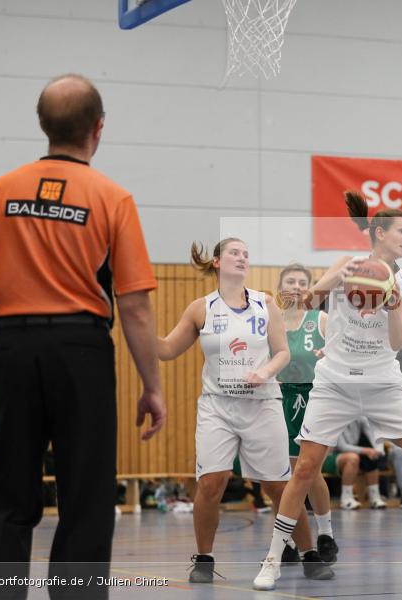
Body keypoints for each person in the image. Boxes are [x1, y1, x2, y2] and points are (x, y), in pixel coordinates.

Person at [0, 73, 166, 600]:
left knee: (6, 492)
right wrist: (153, 385)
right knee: (87, 492)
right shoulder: (113, 198)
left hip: (11, 349)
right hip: (81, 351)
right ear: (98, 129)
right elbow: (136, 307)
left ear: (43, 126)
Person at [252, 191, 402, 591]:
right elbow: (308, 300)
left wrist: (392, 299)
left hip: (383, 381)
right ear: (379, 232)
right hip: (336, 380)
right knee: (305, 467)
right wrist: (338, 278)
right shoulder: (348, 263)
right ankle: (273, 558)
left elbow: (397, 342)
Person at [157, 239, 332, 583]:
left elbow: (282, 352)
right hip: (217, 407)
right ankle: (204, 559)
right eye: (234, 252)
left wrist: (265, 372)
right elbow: (166, 350)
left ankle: (309, 553)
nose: (242, 257)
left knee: (280, 486)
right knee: (210, 484)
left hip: (263, 404)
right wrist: (140, 326)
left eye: (246, 254)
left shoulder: (265, 303)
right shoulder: (200, 308)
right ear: (218, 262)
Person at [277, 264, 339, 564]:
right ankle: (291, 536)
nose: (298, 286)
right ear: (280, 288)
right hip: (280, 397)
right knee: (284, 473)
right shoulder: (269, 322)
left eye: (303, 282)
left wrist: (330, 355)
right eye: (291, 281)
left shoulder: (320, 319)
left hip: (315, 397)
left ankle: (325, 532)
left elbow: (343, 349)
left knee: (307, 469)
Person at [323, 417, 389, 509]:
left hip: (350, 453)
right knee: (353, 458)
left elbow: (372, 433)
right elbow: (342, 447)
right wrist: (366, 450)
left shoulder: (359, 416)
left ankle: (374, 497)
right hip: (328, 457)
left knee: (371, 456)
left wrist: (378, 450)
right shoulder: (335, 418)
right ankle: (346, 499)